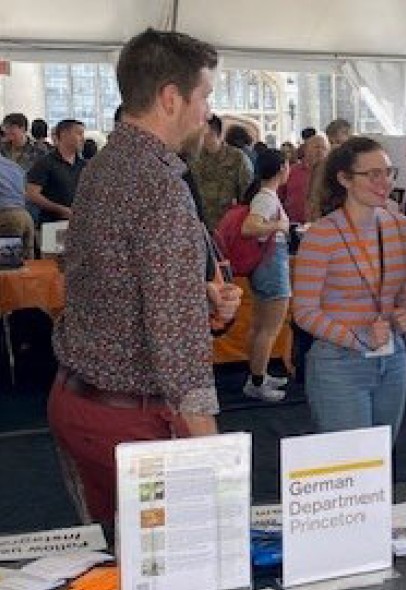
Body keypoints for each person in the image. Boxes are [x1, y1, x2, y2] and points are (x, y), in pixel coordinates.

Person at [48, 28, 241, 523]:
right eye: (206, 97)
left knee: (113, 571)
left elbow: (104, 274)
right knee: (176, 579)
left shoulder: (102, 166)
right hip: (131, 424)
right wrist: (218, 465)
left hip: (76, 401)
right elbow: (179, 354)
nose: (207, 113)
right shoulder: (160, 185)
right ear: (171, 98)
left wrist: (192, 292)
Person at [293, 136, 406, 440]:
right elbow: (304, 311)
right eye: (372, 174)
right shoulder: (322, 235)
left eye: (388, 172)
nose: (384, 182)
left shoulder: (402, 228)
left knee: (381, 461)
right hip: (338, 363)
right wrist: (356, 339)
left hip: (393, 359)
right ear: (345, 179)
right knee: (354, 464)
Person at [240, 148, 293, 402]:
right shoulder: (267, 198)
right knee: (268, 328)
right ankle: (257, 381)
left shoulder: (264, 196)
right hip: (272, 266)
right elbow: (249, 227)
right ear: (282, 168)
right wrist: (280, 226)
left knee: (260, 325)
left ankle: (257, 373)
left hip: (265, 264)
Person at [190, 114, 254, 230]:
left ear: (217, 134)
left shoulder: (237, 158)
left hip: (229, 226)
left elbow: (247, 193)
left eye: (206, 135)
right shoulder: (194, 158)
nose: (202, 139)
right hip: (202, 226)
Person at [26, 119, 86, 224]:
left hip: (80, 222)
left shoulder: (84, 165)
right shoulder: (45, 163)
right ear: (64, 135)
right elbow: (32, 194)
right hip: (52, 223)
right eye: (79, 134)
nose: (83, 139)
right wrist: (59, 209)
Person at [0, 154, 35, 258]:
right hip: (25, 217)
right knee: (29, 267)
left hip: (6, 218)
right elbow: (26, 192)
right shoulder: (14, 166)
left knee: (7, 267)